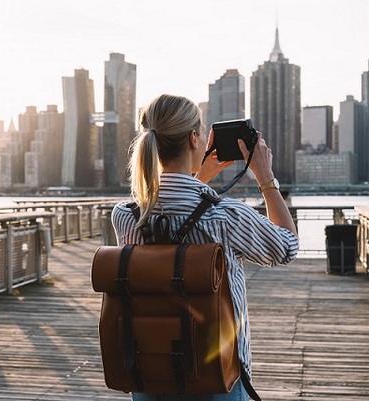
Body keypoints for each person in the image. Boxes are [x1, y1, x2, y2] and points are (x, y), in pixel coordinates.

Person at [111, 94, 299, 401]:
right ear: (195, 139)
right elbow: (287, 247)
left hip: (149, 368)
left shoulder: (126, 216)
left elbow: (170, 224)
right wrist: (266, 179)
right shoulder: (225, 214)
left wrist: (198, 178)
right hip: (216, 375)